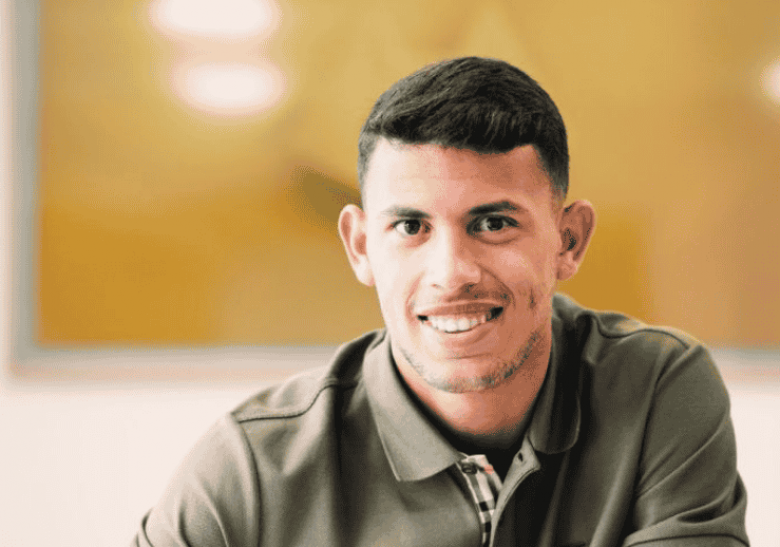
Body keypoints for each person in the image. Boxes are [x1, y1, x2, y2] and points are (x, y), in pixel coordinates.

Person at [131, 57, 748, 547]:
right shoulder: (248, 470)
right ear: (361, 246)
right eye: (410, 227)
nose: (452, 274)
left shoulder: (658, 389)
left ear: (568, 240)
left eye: (494, 223)